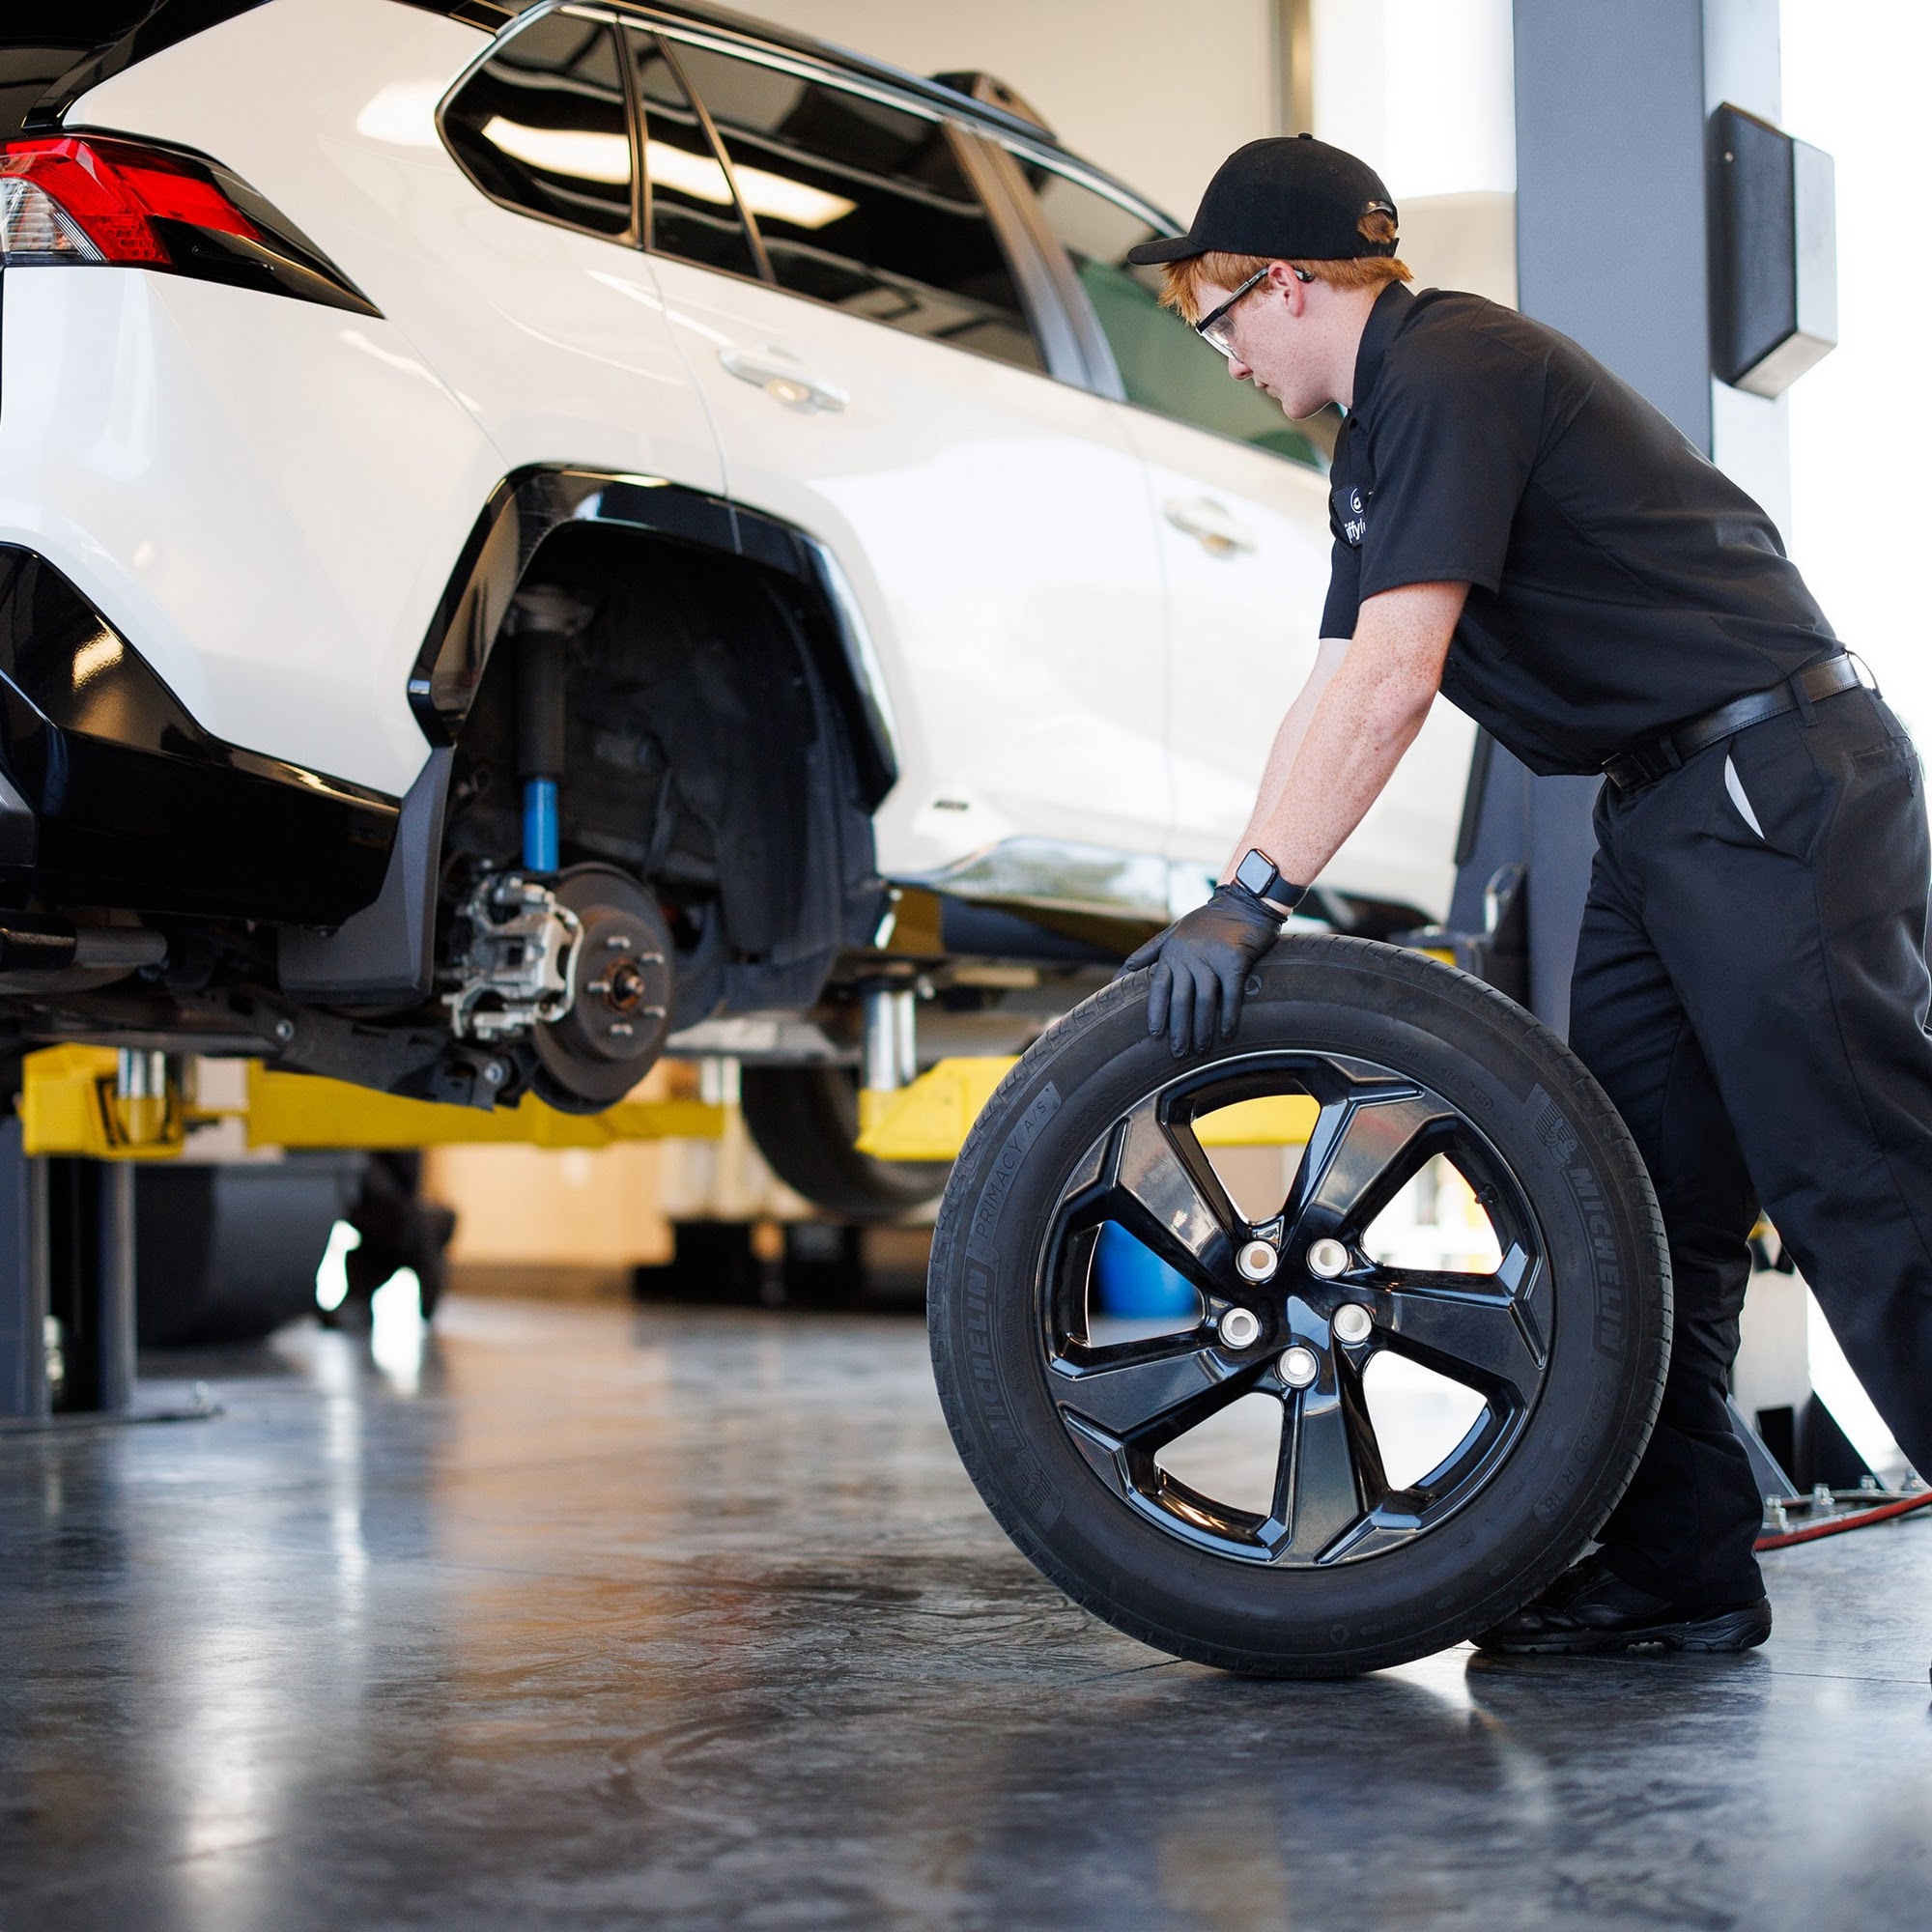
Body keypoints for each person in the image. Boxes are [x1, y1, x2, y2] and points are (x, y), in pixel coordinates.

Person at [1122, 134, 1932, 1656]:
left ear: (1284, 281)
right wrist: (1228, 895)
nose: (1221, 352)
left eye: (1216, 317)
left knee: (1863, 1184)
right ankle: (1678, 1570)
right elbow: (1334, 680)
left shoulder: (1451, 372)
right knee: (1636, 1210)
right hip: (1656, 806)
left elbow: (1397, 678)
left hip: (1770, 782)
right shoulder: (1377, 435)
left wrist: (1261, 893)